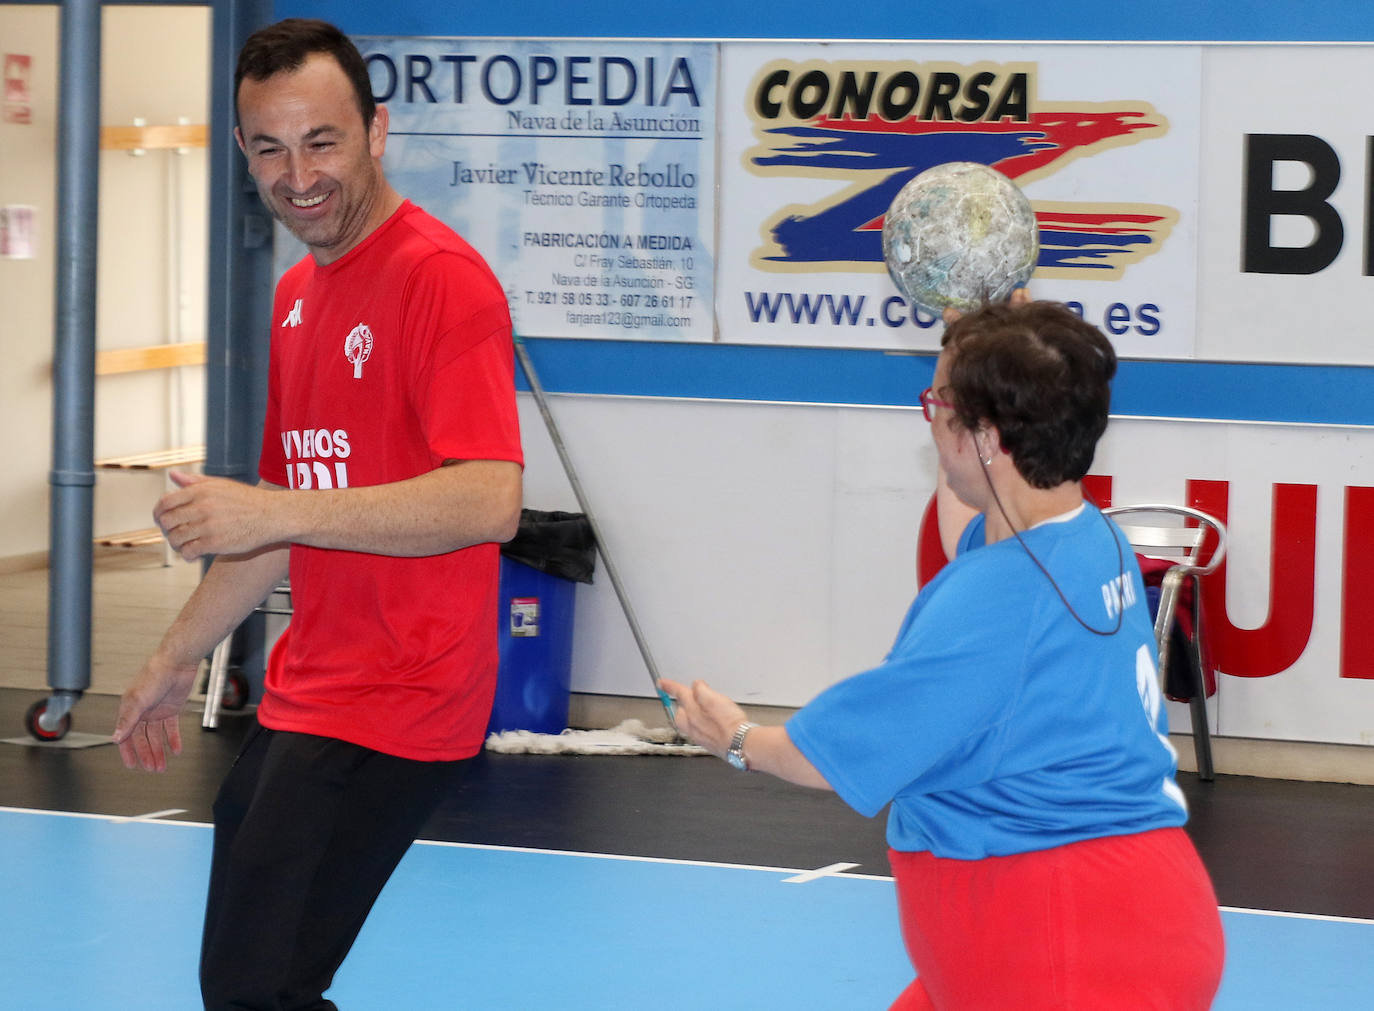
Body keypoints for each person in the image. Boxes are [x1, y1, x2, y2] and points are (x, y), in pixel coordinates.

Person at [111, 19, 523, 1010]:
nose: (297, 174)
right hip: (315, 691)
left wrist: (272, 505)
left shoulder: (441, 280)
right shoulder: (299, 294)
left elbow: (490, 499)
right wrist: (170, 663)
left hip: (402, 700)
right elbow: (271, 532)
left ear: (377, 132)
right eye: (268, 147)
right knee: (256, 987)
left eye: (321, 141)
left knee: (255, 989)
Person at [662, 298, 1225, 1010]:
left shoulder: (994, 608)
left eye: (938, 402)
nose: (929, 419)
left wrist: (734, 737)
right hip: (1109, 923)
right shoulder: (1083, 537)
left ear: (986, 437)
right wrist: (985, 332)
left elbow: (825, 755)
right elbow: (975, 512)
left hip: (1063, 953)